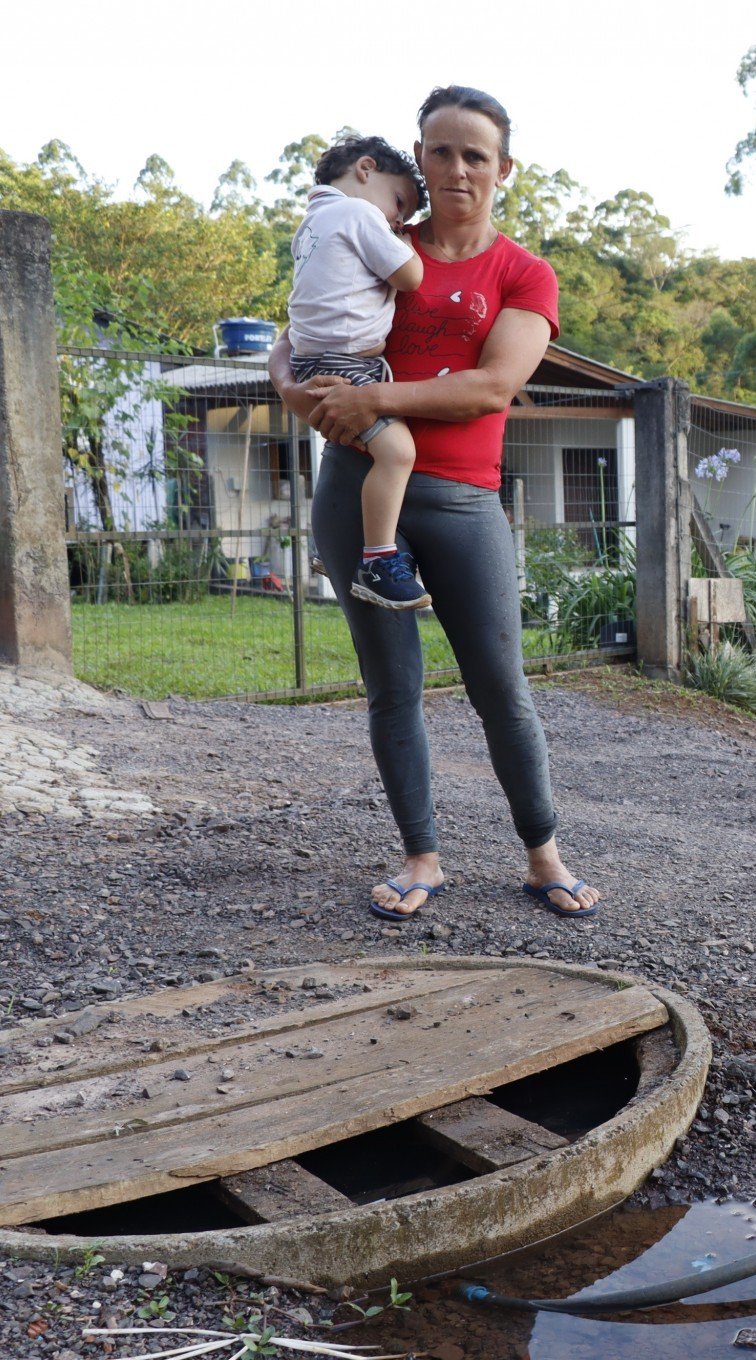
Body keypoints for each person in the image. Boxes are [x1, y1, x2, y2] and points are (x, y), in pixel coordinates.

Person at [270, 85, 602, 923]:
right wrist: (287, 387)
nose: (457, 169)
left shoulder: (522, 273)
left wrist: (378, 403)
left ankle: (543, 853)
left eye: (475, 155)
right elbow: (296, 333)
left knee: (501, 687)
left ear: (503, 170)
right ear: (417, 159)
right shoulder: (367, 231)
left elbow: (492, 387)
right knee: (392, 686)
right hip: (355, 491)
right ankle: (421, 855)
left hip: (462, 500)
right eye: (441, 151)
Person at [285, 136, 430, 610]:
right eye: (400, 203)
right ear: (366, 169)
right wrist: (405, 244)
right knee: (398, 452)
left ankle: (336, 548)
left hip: (315, 360)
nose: (399, 220)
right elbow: (411, 277)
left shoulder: (310, 225)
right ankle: (378, 560)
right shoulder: (358, 214)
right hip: (345, 365)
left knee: (359, 454)